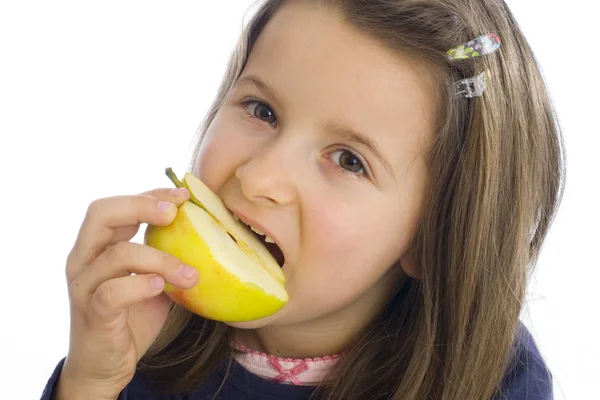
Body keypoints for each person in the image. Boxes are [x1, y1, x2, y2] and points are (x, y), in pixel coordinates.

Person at [41, 0, 564, 399]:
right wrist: (90, 380)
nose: (259, 175)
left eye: (348, 160)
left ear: (431, 239)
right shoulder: (139, 343)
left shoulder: (494, 380)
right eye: (261, 110)